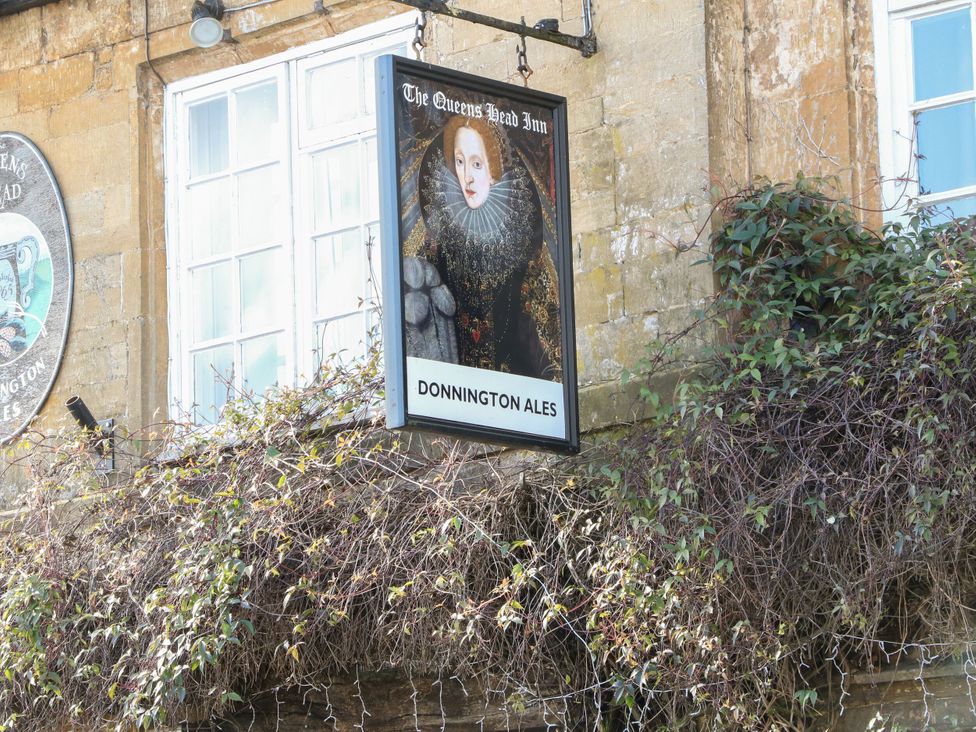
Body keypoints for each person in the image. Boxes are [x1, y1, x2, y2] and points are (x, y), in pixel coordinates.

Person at [403, 115, 561, 381]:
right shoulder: (436, 248)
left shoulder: (525, 257)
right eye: (460, 162)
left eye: (477, 164)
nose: (467, 178)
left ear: (494, 169)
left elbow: (550, 354)